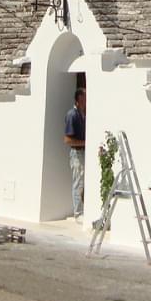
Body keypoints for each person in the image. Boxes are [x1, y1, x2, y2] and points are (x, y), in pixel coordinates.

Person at [63, 87, 86, 221]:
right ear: (78, 101)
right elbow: (67, 139)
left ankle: (82, 210)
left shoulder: (84, 115)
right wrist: (85, 143)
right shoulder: (73, 115)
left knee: (82, 182)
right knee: (78, 182)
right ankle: (78, 213)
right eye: (83, 99)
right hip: (77, 153)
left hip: (83, 153)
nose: (86, 102)